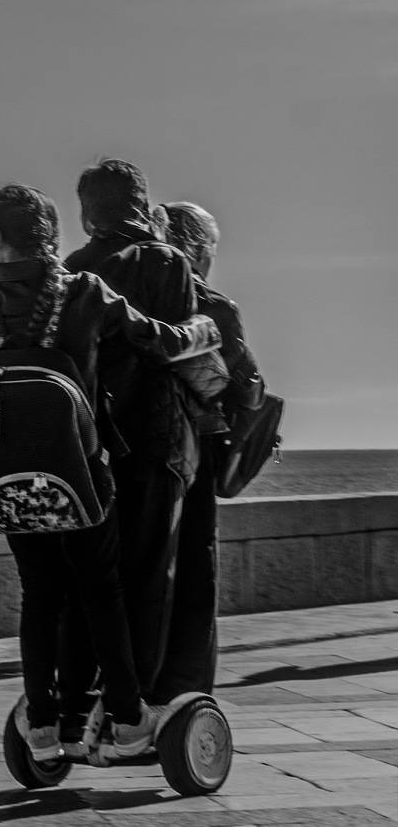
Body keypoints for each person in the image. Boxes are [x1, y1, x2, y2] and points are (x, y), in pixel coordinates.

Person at [0, 183, 221, 762]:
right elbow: (156, 340)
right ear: (53, 235)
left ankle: (44, 727)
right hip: (80, 476)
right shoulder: (85, 293)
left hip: (10, 480)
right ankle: (128, 721)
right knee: (101, 591)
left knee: (40, 595)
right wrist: (203, 332)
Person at [63, 158, 206, 705]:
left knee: (92, 577)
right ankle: (134, 703)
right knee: (148, 578)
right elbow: (182, 354)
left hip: (89, 444)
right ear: (141, 205)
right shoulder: (167, 262)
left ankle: (80, 690)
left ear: (88, 213)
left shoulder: (73, 269)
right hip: (154, 441)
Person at [155, 200, 266, 697]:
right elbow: (245, 385)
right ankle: (186, 691)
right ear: (199, 251)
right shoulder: (213, 306)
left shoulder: (125, 290)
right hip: (194, 453)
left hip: (125, 451)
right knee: (195, 577)